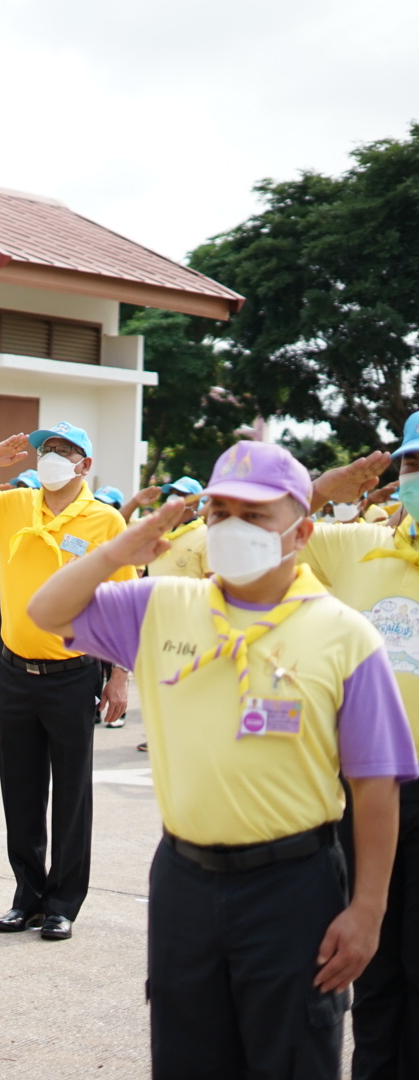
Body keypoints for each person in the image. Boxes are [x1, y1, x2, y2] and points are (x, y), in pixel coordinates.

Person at [28, 439, 416, 1078]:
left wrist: (368, 909)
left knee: (293, 1054)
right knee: (187, 1054)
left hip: (294, 884)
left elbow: (376, 784)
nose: (233, 528)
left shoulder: (346, 635)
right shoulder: (161, 606)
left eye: (256, 515)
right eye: (220, 513)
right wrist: (117, 553)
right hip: (185, 880)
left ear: (302, 530)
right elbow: (46, 611)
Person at [0, 420, 132, 940]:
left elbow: (120, 605)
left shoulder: (105, 522)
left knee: (71, 795)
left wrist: (118, 676)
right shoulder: (13, 506)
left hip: (73, 675)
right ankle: (27, 895)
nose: (51, 458)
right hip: (15, 672)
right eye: (47, 449)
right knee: (20, 792)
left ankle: (63, 902)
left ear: (85, 465)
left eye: (65, 451)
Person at [299, 417, 419, 1079]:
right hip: (367, 790)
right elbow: (260, 538)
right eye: (412, 463)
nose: (418, 476)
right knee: (371, 969)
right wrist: (319, 490)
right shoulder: (357, 547)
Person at [122, 476, 207, 578]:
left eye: (180, 494)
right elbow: (119, 523)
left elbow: (213, 579)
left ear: (194, 503)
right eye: (173, 493)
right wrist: (136, 501)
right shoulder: (156, 524)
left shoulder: (205, 535)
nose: (173, 498)